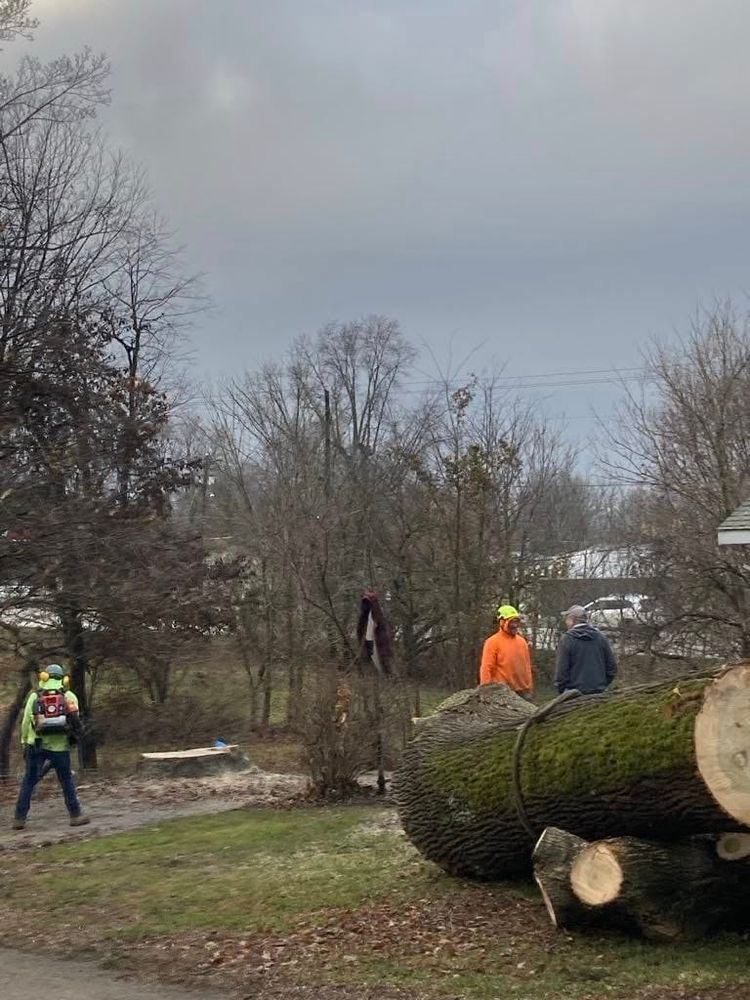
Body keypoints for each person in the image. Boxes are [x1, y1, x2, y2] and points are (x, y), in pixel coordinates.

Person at [13, 664, 90, 831]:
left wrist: (25, 742)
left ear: (44, 677)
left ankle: (19, 819)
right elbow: (75, 721)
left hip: (37, 745)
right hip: (60, 747)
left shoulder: (35, 696)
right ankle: (75, 815)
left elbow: (26, 722)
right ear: (63, 678)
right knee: (66, 781)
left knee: (29, 781)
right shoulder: (69, 696)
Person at [555, 605, 618, 695]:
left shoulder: (567, 639)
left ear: (572, 620)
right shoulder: (600, 637)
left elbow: (561, 671)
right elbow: (612, 667)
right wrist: (602, 684)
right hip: (599, 692)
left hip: (574, 693)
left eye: (567, 619)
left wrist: (562, 689)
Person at [479, 604, 534, 698]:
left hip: (523, 692)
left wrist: (529, 687)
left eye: (516, 622)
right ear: (501, 622)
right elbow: (486, 668)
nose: (514, 625)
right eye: (511, 622)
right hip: (501, 693)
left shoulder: (522, 641)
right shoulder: (492, 642)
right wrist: (485, 692)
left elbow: (527, 667)